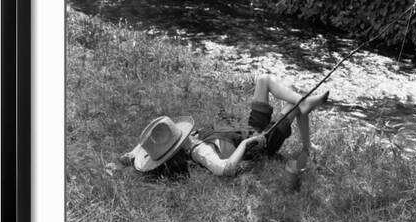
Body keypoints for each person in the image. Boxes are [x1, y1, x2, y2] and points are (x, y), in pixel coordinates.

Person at [120, 74, 329, 190]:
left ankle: (302, 102)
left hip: (248, 129)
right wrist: (248, 144)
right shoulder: (199, 151)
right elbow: (224, 169)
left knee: (264, 81)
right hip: (261, 143)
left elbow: (145, 145)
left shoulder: (173, 142)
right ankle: (305, 112)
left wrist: (130, 157)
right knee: (294, 107)